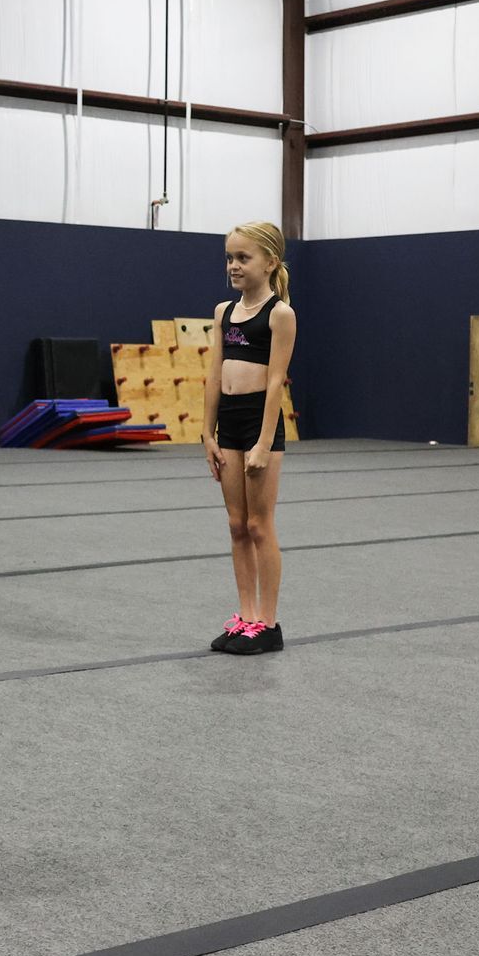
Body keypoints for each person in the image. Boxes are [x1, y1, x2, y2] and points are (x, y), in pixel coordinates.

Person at [201, 222, 295, 655]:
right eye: (230, 258)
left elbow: (276, 381)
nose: (234, 266)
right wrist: (207, 432)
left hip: (261, 423)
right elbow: (215, 375)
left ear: (270, 262)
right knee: (237, 525)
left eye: (244, 258)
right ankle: (246, 616)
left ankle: (269, 624)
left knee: (260, 524)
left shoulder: (278, 314)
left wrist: (263, 442)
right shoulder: (223, 312)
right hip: (230, 424)